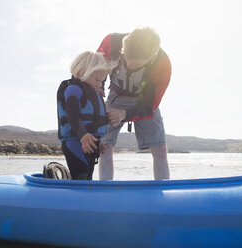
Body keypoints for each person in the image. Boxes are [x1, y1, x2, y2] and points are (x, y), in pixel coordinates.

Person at [97, 27, 171, 180]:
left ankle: (162, 193)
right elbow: (92, 71)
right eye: (126, 58)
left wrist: (125, 114)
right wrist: (98, 94)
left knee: (160, 151)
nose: (129, 64)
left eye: (135, 63)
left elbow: (151, 104)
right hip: (115, 97)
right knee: (104, 148)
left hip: (144, 101)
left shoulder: (162, 64)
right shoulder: (111, 42)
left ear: (150, 57)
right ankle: (105, 192)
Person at [57, 51, 114, 180]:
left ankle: (87, 198)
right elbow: (72, 113)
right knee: (81, 174)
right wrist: (83, 135)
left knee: (88, 176)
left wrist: (96, 142)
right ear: (82, 71)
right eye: (97, 80)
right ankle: (75, 198)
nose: (99, 84)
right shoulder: (73, 88)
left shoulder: (89, 91)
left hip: (88, 142)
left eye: (101, 81)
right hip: (74, 141)